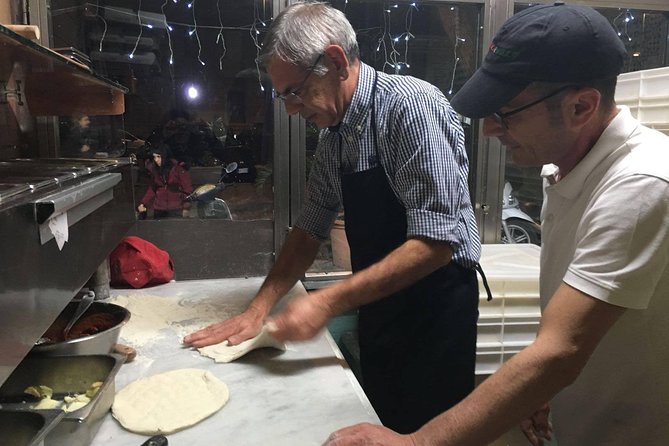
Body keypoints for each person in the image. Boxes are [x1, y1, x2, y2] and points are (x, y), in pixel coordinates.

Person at [323, 3, 669, 446]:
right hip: (593, 420)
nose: (488, 131)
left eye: (506, 114)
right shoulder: (564, 170)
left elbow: (562, 348)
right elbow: (577, 331)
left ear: (581, 106)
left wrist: (416, 443)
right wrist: (541, 388)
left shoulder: (640, 184)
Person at [184, 1, 483, 434]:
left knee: (430, 435)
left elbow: (437, 244)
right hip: (381, 304)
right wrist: (258, 308)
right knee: (382, 426)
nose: (289, 108)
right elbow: (309, 228)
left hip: (434, 312)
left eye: (295, 91)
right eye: (282, 94)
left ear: (336, 62)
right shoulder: (336, 135)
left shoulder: (410, 109)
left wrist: (323, 301)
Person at [137, 144, 194, 219]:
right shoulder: (155, 169)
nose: (156, 160)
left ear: (165, 156)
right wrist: (143, 203)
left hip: (176, 207)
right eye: (154, 157)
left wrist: (186, 207)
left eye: (158, 157)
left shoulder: (178, 168)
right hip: (159, 207)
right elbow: (152, 188)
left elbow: (187, 189)